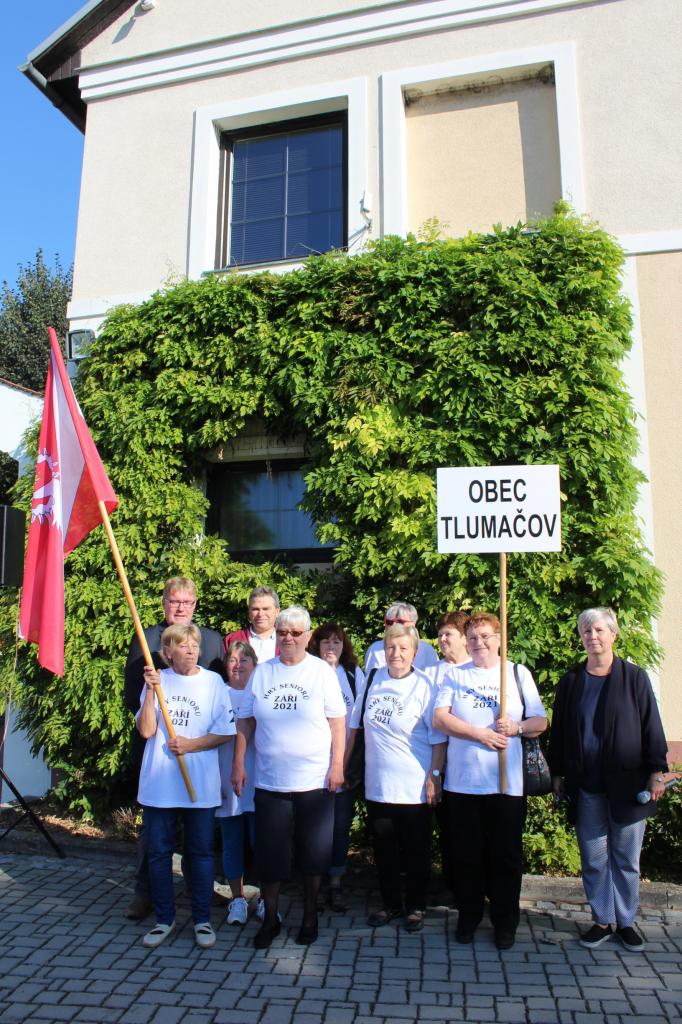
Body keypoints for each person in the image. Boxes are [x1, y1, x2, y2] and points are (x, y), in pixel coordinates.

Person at [548, 607, 668, 952]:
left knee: (626, 858)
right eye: (586, 631)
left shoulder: (634, 678)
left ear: (614, 634)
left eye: (599, 630)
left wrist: (656, 773)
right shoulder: (572, 681)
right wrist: (557, 773)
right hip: (586, 784)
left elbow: (651, 725)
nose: (593, 636)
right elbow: (561, 732)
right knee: (594, 857)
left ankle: (626, 921)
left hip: (629, 785)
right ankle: (602, 919)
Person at [232, 606, 346, 949]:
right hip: (270, 781)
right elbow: (246, 720)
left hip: (314, 780)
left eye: (296, 633)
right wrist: (238, 763)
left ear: (308, 636)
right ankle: (270, 920)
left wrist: (337, 766)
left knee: (313, 855)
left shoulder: (321, 672)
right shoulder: (263, 672)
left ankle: (310, 917)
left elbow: (338, 723)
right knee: (270, 856)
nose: (289, 638)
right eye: (283, 632)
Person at [433, 612, 547, 949]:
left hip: (506, 785)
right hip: (463, 784)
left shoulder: (516, 673)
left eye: (485, 636)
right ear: (466, 643)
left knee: (505, 857)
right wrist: (478, 734)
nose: (479, 642)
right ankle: (468, 917)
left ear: (499, 639)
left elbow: (540, 721)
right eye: (473, 638)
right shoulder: (455, 675)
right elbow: (440, 719)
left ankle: (504, 922)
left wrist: (517, 727)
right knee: (466, 856)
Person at [123, 576, 225, 920]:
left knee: (198, 833)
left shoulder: (211, 640)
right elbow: (132, 695)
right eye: (174, 601)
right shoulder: (146, 637)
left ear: (195, 604)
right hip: (158, 749)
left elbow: (217, 690)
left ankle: (199, 889)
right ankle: (145, 892)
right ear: (164, 603)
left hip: (197, 752)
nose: (180, 607)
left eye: (187, 602)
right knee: (155, 833)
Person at [136, 624, 235, 949]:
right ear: (167, 653)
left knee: (201, 853)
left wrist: (191, 745)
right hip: (160, 784)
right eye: (183, 645)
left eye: (194, 645)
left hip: (199, 785)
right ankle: (164, 919)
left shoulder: (213, 682)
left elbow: (226, 732)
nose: (191, 650)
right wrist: (151, 692)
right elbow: (147, 731)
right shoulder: (158, 680)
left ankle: (202, 920)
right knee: (159, 854)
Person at [348, 623, 446, 933]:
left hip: (414, 786)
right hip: (378, 784)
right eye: (391, 647)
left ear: (415, 652)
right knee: (384, 850)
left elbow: (439, 739)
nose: (396, 654)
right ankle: (390, 904)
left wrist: (435, 776)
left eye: (404, 648)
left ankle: (416, 906)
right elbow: (355, 727)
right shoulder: (373, 679)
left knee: (416, 851)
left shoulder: (425, 686)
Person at [308, 621, 365, 910]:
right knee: (313, 829)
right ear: (316, 645)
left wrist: (342, 764)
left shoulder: (353, 675)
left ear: (344, 646)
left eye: (337, 642)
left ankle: (336, 884)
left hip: (342, 764)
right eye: (326, 642)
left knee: (340, 827)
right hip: (312, 765)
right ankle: (313, 886)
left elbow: (356, 725)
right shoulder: (308, 672)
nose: (331, 647)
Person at [217, 641, 258, 926]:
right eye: (233, 659)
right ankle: (238, 899)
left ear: (254, 665)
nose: (238, 665)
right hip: (226, 779)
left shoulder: (262, 693)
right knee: (231, 842)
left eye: (244, 660)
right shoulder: (217, 694)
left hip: (260, 781)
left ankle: (267, 899)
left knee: (262, 842)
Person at [430, 610, 470, 903]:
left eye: (449, 634)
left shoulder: (475, 669)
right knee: (448, 828)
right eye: (440, 634)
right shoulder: (432, 672)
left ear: (465, 638)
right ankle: (452, 884)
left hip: (469, 761)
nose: (443, 639)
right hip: (439, 761)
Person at [363, 602, 439, 674]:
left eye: (400, 622)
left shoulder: (427, 650)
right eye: (389, 622)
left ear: (413, 624)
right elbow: (371, 679)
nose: (394, 625)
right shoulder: (375, 649)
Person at [224, 586, 280, 663]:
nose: (260, 614)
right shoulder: (232, 640)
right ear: (249, 612)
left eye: (265, 609)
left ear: (277, 612)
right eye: (255, 609)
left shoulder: (288, 640)